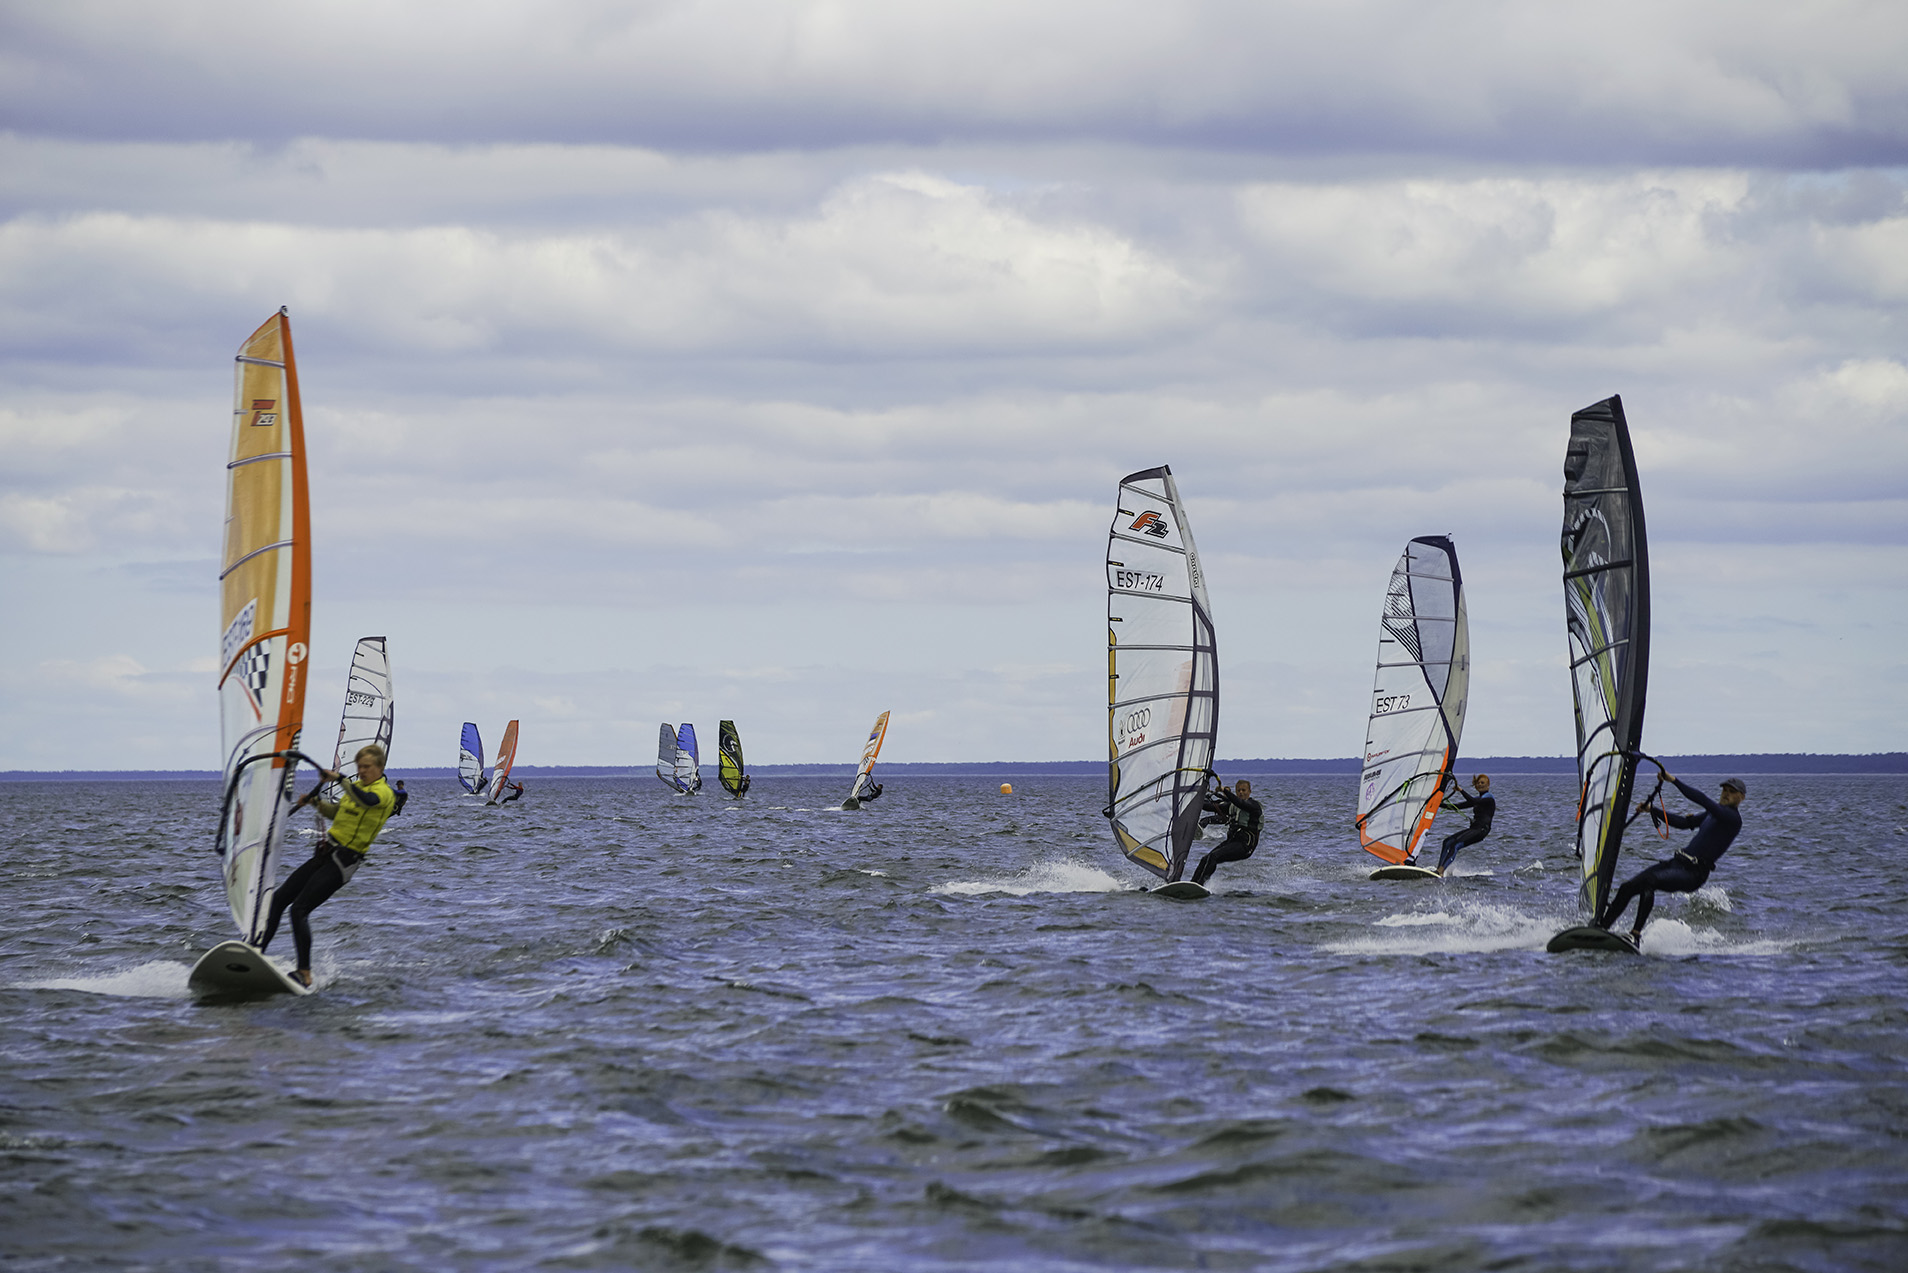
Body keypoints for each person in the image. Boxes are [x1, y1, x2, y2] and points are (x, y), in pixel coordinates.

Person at [258, 744, 399, 987]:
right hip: (324, 855)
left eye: (366, 767)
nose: (362, 771)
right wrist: (316, 803)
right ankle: (256, 952)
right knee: (279, 899)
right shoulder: (356, 789)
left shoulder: (383, 793)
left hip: (342, 863)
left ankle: (304, 972)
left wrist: (340, 778)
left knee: (299, 910)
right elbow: (338, 813)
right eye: (359, 767)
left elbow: (366, 801)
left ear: (380, 767)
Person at [1595, 773, 1747, 944]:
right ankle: (1601, 930)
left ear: (1741, 797)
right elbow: (1683, 823)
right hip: (1677, 864)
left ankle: (1635, 936)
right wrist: (1653, 810)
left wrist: (1674, 781)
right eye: (1724, 790)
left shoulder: (1732, 819)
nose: (1726, 794)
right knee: (1627, 888)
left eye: (1732, 792)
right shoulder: (1711, 815)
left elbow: (1703, 799)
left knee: (1649, 882)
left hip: (1694, 874)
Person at [1190, 777, 1263, 887]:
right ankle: (1192, 884)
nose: (1241, 793)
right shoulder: (1232, 806)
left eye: (1244, 790)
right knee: (1205, 859)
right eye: (1238, 790)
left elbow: (1241, 803)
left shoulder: (1254, 806)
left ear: (1249, 791)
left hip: (1245, 846)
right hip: (1233, 841)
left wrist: (1224, 790)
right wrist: (1193, 798)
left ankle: (1199, 885)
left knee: (1214, 856)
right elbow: (1211, 807)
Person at [1433, 774, 1494, 875]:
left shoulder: (1488, 798)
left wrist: (1461, 790)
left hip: (1481, 830)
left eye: (1482, 783)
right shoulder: (1479, 799)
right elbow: (1457, 806)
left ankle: (1440, 871)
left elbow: (1472, 801)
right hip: (1474, 829)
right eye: (1478, 783)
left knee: (1455, 845)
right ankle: (1439, 870)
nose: (1479, 784)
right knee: (1447, 842)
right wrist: (1437, 803)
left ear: (1488, 785)